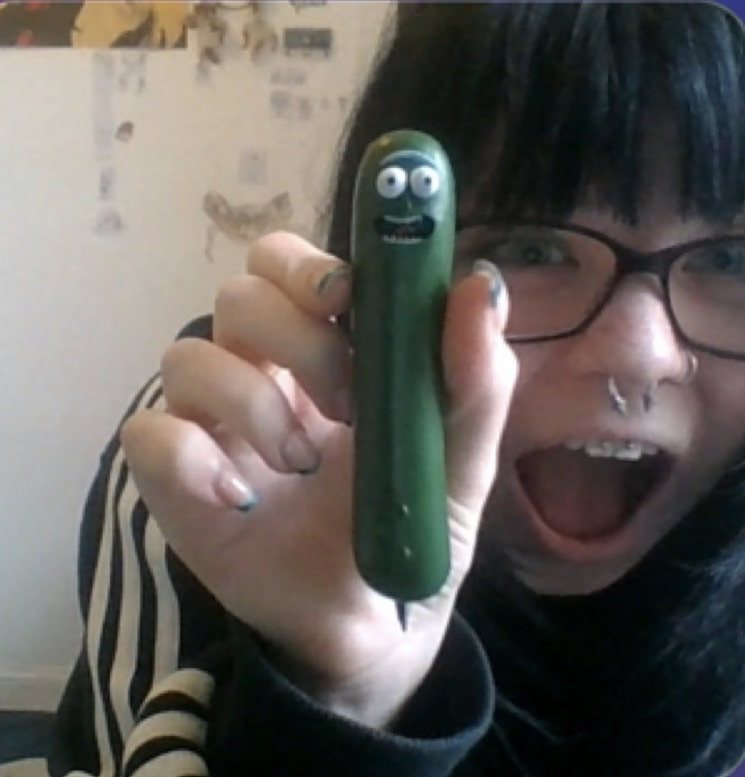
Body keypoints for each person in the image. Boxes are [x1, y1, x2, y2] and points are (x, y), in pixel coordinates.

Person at [22, 3, 745, 776]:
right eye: (532, 248)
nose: (640, 356)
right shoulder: (227, 456)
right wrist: (338, 696)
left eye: (727, 260)